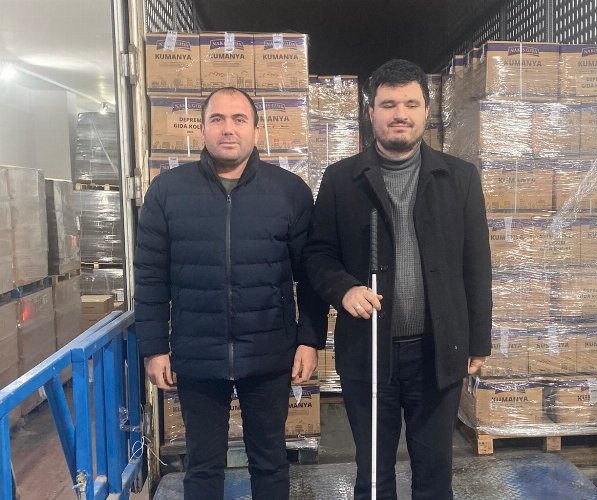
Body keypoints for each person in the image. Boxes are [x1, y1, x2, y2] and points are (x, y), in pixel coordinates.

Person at [304, 59, 492, 499]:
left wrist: (478, 339)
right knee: (373, 476)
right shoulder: (341, 179)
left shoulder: (459, 178)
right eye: (388, 104)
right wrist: (344, 288)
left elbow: (477, 264)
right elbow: (317, 254)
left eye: (410, 104)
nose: (399, 114)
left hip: (437, 352)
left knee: (435, 472)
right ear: (371, 112)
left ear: (427, 110)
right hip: (369, 353)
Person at [134, 87, 327, 500]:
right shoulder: (167, 192)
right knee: (202, 466)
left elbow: (311, 275)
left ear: (256, 130)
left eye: (239, 119)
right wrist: (154, 348)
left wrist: (309, 339)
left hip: (269, 352)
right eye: (217, 119)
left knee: (270, 462)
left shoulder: (289, 191)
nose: (228, 129)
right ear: (201, 129)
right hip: (197, 353)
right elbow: (150, 277)